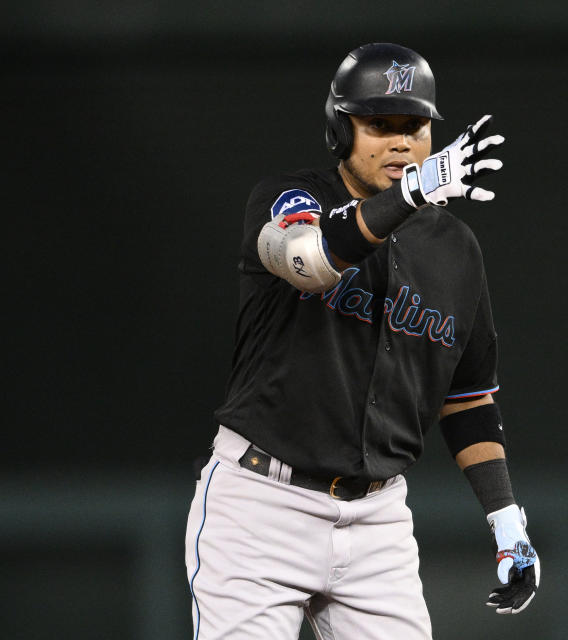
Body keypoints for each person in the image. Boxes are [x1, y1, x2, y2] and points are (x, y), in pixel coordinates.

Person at [185, 42, 539, 640]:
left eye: (415, 125)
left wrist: (507, 521)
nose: (401, 142)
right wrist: (408, 196)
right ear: (339, 129)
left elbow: (468, 399)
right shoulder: (291, 197)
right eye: (379, 125)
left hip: (377, 522)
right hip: (261, 506)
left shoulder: (455, 249)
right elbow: (304, 261)